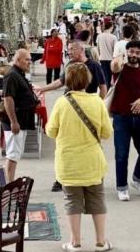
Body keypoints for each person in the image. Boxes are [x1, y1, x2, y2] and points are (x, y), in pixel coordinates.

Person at [45, 63, 113, 252]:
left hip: (68, 162)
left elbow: (50, 132)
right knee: (97, 199)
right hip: (92, 162)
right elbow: (107, 133)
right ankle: (100, 241)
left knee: (72, 200)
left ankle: (75, 242)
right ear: (88, 80)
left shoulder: (61, 103)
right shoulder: (97, 102)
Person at [38, 40, 107, 192]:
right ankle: (60, 178)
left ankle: (94, 176)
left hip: (88, 109)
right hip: (69, 108)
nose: (68, 52)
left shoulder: (94, 66)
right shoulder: (70, 65)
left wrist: (99, 105)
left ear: (81, 49)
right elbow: (60, 82)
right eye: (68, 49)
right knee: (64, 145)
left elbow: (103, 88)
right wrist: (43, 89)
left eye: (71, 49)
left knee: (91, 144)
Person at [109, 41, 140, 201]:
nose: (134, 55)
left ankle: (138, 179)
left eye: (137, 52)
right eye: (131, 52)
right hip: (121, 117)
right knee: (121, 154)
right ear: (127, 52)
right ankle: (122, 187)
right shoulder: (120, 70)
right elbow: (114, 65)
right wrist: (121, 54)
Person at [2, 49, 38, 182]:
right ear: (17, 60)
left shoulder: (19, 73)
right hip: (16, 122)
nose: (30, 62)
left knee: (15, 154)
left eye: (30, 59)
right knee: (13, 155)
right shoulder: (11, 75)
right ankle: (8, 185)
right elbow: (8, 99)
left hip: (21, 121)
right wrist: (13, 121)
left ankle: (8, 182)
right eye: (27, 60)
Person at [97, 20, 117, 88]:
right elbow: (115, 50)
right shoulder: (113, 37)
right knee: (111, 78)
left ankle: (105, 92)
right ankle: (108, 93)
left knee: (104, 77)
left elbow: (98, 48)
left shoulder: (99, 36)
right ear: (111, 27)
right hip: (111, 59)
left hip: (102, 58)